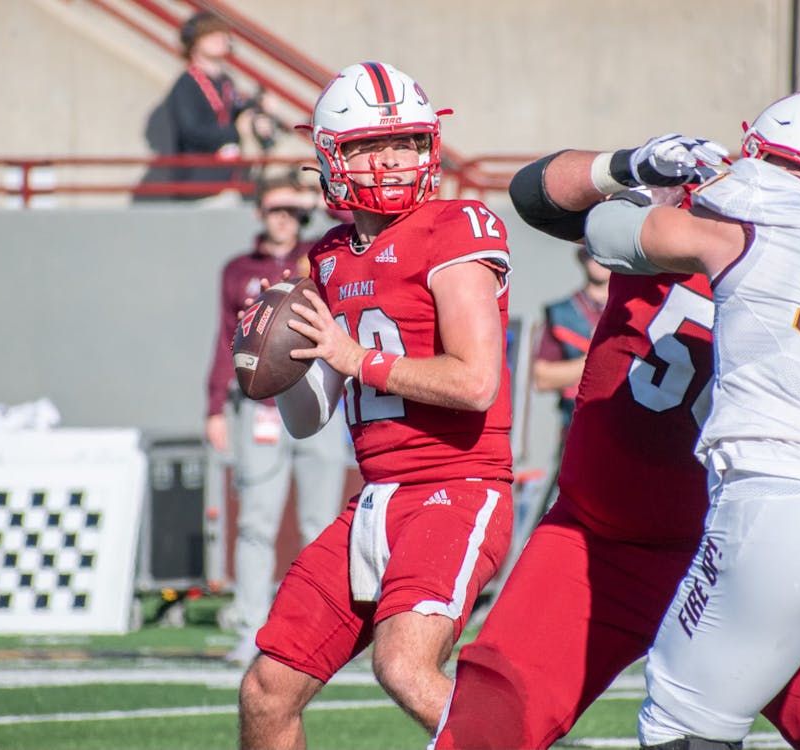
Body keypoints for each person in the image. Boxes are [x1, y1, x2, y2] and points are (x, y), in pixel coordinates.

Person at [434, 92, 800, 750]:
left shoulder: (707, 215)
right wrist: (627, 164)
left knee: (687, 726)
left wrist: (633, 173)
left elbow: (558, 208)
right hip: (626, 538)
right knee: (489, 716)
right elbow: (537, 198)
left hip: (747, 532)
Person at [578, 108, 800, 748]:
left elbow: (608, 235)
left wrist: (651, 186)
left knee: (682, 727)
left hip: (777, 503)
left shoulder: (774, 204)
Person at [236, 61, 514, 749]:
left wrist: (356, 357)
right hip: (376, 500)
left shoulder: (456, 227)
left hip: (457, 488)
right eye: (369, 145)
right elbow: (311, 417)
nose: (391, 159)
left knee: (404, 666)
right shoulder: (329, 255)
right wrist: (277, 358)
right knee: (268, 690)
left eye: (406, 142)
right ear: (331, 157)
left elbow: (476, 381)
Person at [205, 173, 348, 666]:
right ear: (259, 212)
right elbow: (227, 338)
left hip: (319, 400)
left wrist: (315, 200)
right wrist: (214, 406)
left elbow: (353, 220)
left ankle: (321, 628)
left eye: (292, 210)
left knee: (320, 525)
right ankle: (251, 627)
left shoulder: (325, 252)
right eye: (275, 209)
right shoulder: (238, 269)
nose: (284, 219)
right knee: (255, 522)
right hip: (261, 408)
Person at [166, 11, 280, 198]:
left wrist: (258, 111)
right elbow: (192, 131)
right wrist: (236, 130)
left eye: (223, 33)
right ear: (194, 42)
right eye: (210, 33)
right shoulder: (186, 84)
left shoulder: (225, 81)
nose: (221, 38)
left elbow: (234, 109)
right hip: (200, 186)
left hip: (227, 179)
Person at [531, 243, 610, 447]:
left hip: (622, 428)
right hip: (575, 430)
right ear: (580, 256)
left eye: (606, 251)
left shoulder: (633, 312)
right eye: (592, 251)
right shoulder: (560, 313)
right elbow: (541, 378)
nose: (599, 259)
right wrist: (602, 359)